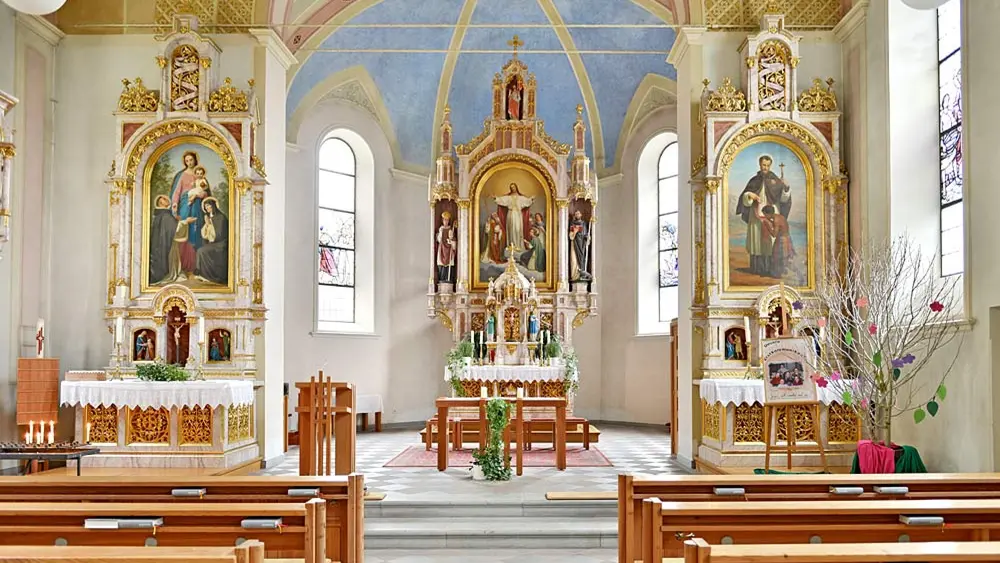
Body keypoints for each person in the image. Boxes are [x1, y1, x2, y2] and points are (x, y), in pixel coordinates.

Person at [735, 155, 791, 275]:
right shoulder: (754, 180)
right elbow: (745, 197)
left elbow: (784, 199)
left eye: (767, 165)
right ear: (760, 165)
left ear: (770, 165)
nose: (765, 167)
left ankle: (771, 268)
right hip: (755, 217)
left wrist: (786, 188)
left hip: (771, 214)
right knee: (756, 242)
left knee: (770, 242)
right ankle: (757, 268)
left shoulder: (776, 180)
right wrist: (750, 195)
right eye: (763, 165)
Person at [169, 151, 209, 275]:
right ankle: (183, 265)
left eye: (191, 160)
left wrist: (202, 194)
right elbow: (177, 191)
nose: (189, 163)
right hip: (185, 205)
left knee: (196, 229)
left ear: (195, 160)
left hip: (197, 205)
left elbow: (206, 191)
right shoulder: (181, 175)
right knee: (185, 229)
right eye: (187, 161)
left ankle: (195, 265)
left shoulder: (200, 175)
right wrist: (175, 204)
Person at [195, 198, 228, 285]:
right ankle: (203, 274)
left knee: (201, 251)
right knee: (200, 250)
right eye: (205, 207)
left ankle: (208, 275)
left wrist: (209, 223)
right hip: (213, 243)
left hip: (221, 244)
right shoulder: (209, 218)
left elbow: (219, 235)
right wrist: (207, 224)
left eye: (209, 205)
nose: (207, 208)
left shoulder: (221, 217)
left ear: (213, 205)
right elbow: (204, 235)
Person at [493, 183, 533, 249]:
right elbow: (501, 200)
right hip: (511, 214)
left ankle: (518, 246)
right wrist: (496, 198)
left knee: (517, 229)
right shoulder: (508, 197)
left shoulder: (520, 197)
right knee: (511, 229)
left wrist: (531, 199)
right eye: (511, 187)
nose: (513, 188)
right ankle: (511, 247)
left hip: (518, 215)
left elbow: (527, 201)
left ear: (516, 187)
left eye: (514, 187)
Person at [149, 195, 179, 284]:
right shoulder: (165, 215)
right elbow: (175, 228)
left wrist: (174, 213)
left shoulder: (160, 213)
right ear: (161, 203)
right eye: (164, 200)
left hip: (157, 243)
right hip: (161, 244)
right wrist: (185, 222)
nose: (167, 200)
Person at [761, 204, 794, 278]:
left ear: (769, 214)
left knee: (777, 257)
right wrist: (769, 221)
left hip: (782, 240)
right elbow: (780, 226)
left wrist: (767, 226)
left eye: (765, 215)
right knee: (782, 257)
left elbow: (774, 234)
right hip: (787, 238)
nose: (765, 216)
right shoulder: (779, 216)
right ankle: (781, 272)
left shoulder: (776, 220)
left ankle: (777, 274)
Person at [569, 210, 591, 281]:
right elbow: (570, 236)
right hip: (575, 244)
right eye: (576, 214)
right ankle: (575, 276)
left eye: (578, 213)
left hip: (582, 244)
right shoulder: (572, 224)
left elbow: (586, 234)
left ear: (581, 215)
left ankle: (582, 274)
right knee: (574, 260)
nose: (577, 215)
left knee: (582, 258)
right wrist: (574, 232)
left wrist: (587, 237)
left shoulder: (584, 224)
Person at [436, 211, 456, 283]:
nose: (446, 221)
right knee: (441, 266)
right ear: (442, 220)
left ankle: (449, 280)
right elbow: (438, 240)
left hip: (449, 250)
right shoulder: (440, 229)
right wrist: (441, 232)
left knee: (449, 267)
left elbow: (454, 242)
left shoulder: (451, 230)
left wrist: (451, 242)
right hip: (442, 249)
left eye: (447, 220)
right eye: (444, 219)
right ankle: (441, 280)